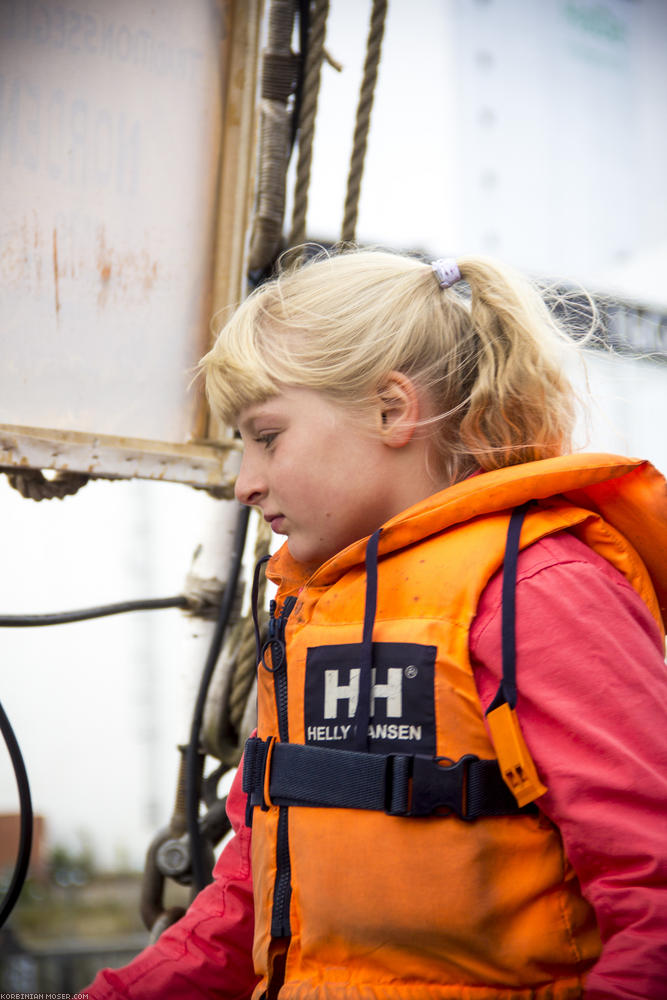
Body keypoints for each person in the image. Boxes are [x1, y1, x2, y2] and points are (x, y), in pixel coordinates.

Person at [87, 249, 667, 1000]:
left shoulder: (535, 589)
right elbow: (251, 894)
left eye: (266, 436)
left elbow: (650, 894)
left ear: (393, 410)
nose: (245, 483)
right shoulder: (304, 615)